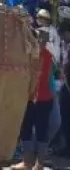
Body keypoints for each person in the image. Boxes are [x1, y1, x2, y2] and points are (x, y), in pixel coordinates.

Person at [22, 27, 60, 169]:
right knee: (33, 129)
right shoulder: (40, 54)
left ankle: (34, 163)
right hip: (37, 97)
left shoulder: (41, 55)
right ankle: (33, 163)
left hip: (38, 98)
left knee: (35, 129)